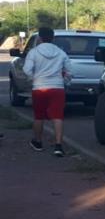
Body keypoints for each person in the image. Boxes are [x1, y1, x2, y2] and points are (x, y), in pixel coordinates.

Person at [23, 26, 72, 157]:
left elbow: (27, 70)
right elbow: (69, 71)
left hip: (39, 88)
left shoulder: (33, 52)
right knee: (58, 117)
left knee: (39, 116)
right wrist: (65, 81)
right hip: (57, 88)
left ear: (39, 37)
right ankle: (58, 146)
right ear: (53, 38)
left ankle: (38, 142)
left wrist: (33, 78)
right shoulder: (61, 53)